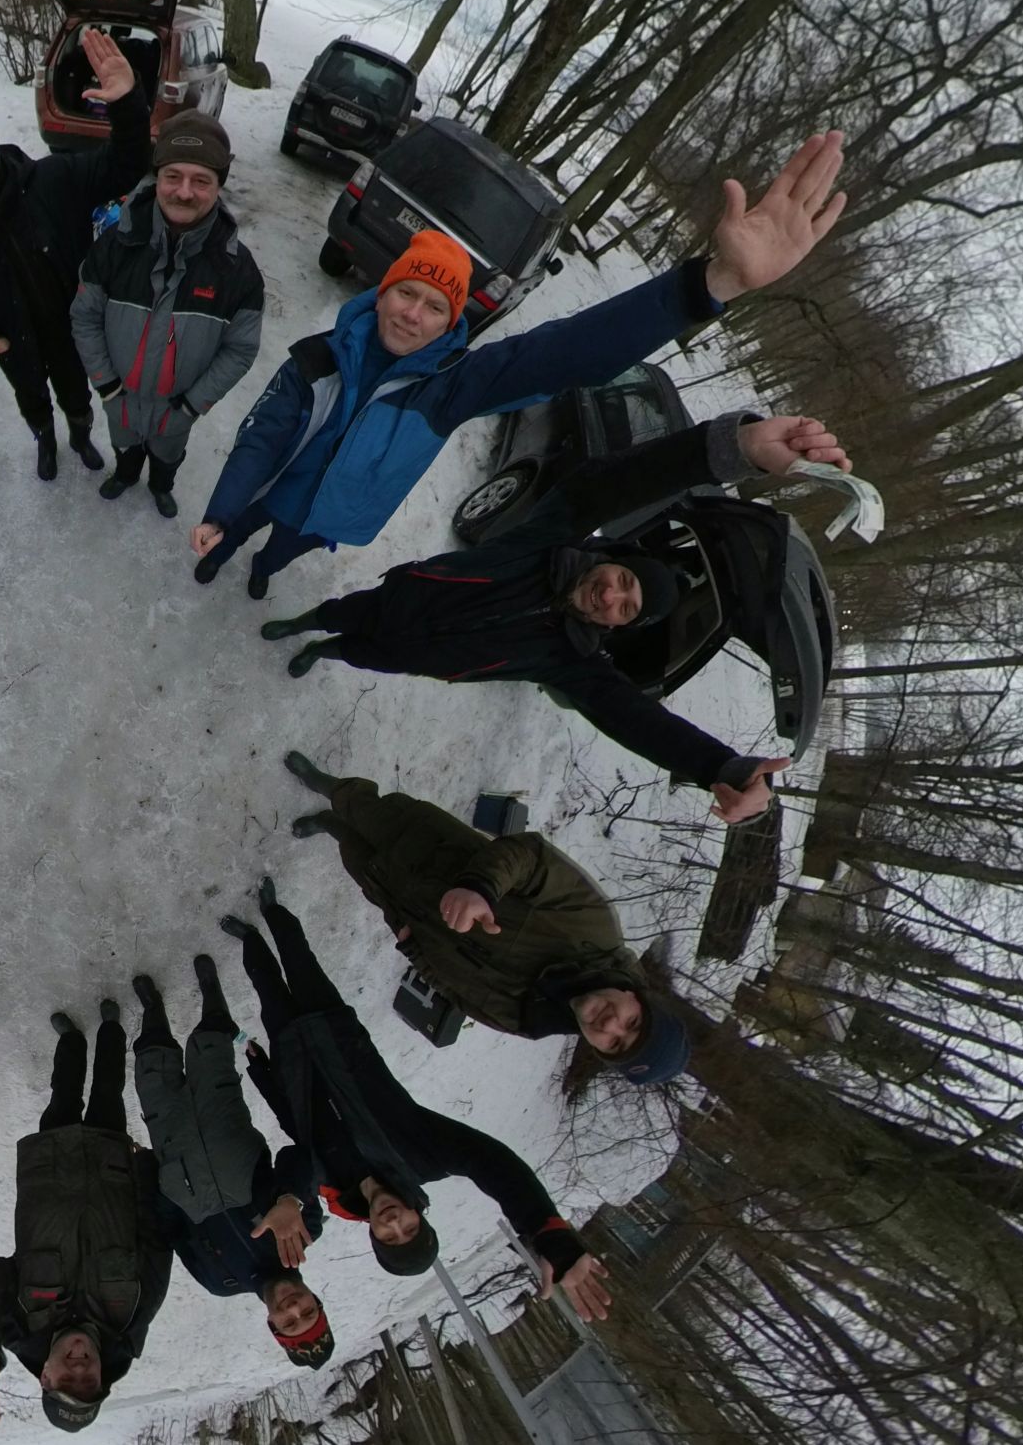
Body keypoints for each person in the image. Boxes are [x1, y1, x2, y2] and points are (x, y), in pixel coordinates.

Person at [189, 131, 849, 599]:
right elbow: (261, 439)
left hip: (332, 515)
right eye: (406, 294)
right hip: (274, 489)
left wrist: (709, 285)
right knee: (245, 523)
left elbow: (567, 351)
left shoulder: (450, 387)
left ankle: (264, 569)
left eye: (434, 307)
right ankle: (226, 551)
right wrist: (220, 512)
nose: (413, 315)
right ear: (381, 293)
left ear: (452, 324)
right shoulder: (316, 358)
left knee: (283, 548)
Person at [263, 416, 849, 824]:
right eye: (623, 579)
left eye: (626, 608)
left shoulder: (571, 661)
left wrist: (721, 766)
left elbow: (638, 721)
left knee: (357, 651)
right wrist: (734, 448)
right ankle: (306, 625)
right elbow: (613, 484)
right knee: (342, 613)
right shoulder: (548, 542)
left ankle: (323, 651)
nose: (611, 596)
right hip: (400, 599)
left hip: (416, 656)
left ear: (620, 626)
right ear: (613, 560)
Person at [231, 877, 617, 1322]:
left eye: (390, 1236)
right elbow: (492, 1163)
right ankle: (274, 912)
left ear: (374, 1236)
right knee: (298, 958)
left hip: (291, 1057)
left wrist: (288, 1194)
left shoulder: (334, 1191)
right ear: (419, 1214)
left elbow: (295, 1146)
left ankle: (250, 939)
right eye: (410, 1227)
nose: (394, 1222)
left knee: (267, 984)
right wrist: (548, 1233)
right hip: (337, 1031)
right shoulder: (423, 1157)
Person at [279, 753, 690, 1083]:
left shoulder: (528, 1021)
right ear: (637, 997)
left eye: (615, 1045)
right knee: (369, 810)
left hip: (402, 905)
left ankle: (330, 825)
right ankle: (329, 786)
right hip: (431, 850)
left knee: (356, 855)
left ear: (600, 1051)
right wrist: (480, 889)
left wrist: (413, 949)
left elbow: (460, 997)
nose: (612, 1025)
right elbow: (531, 856)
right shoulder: (594, 927)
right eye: (633, 1022)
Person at [0, 28, 150, 480]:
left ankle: (80, 437)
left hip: (68, 327)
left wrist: (127, 104)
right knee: (32, 399)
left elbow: (126, 165)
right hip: (15, 342)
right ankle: (45, 441)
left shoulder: (54, 178)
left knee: (75, 393)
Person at [0, 1001, 175, 1432]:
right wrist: (145, 1170)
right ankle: (110, 1029)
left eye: (67, 1381)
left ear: (45, 1377)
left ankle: (71, 1040)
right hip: (112, 1172)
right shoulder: (133, 1317)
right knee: (108, 1094)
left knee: (62, 1099)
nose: (79, 1369)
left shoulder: (21, 1325)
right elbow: (157, 1237)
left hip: (49, 1173)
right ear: (102, 1377)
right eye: (89, 1381)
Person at [130, 960, 335, 1369]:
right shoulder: (304, 1231)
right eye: (309, 1311)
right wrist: (290, 1199)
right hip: (223, 1120)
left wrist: (152, 1172)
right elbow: (299, 1157)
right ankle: (211, 992)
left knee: (153, 1063)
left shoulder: (219, 1282)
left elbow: (171, 1230)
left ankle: (152, 1008)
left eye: (289, 1322)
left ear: (272, 1324)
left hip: (172, 1145)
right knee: (210, 1044)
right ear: (316, 1299)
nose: (294, 1308)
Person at [68, 110, 265, 517]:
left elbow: (240, 349)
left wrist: (191, 406)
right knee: (125, 446)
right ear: (157, 177)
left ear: (218, 186)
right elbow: (85, 317)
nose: (184, 192)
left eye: (201, 180)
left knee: (167, 455)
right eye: (173, 176)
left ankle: (161, 486)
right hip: (120, 399)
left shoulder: (238, 271)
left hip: (177, 410)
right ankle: (125, 475)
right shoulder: (115, 245)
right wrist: (108, 387)